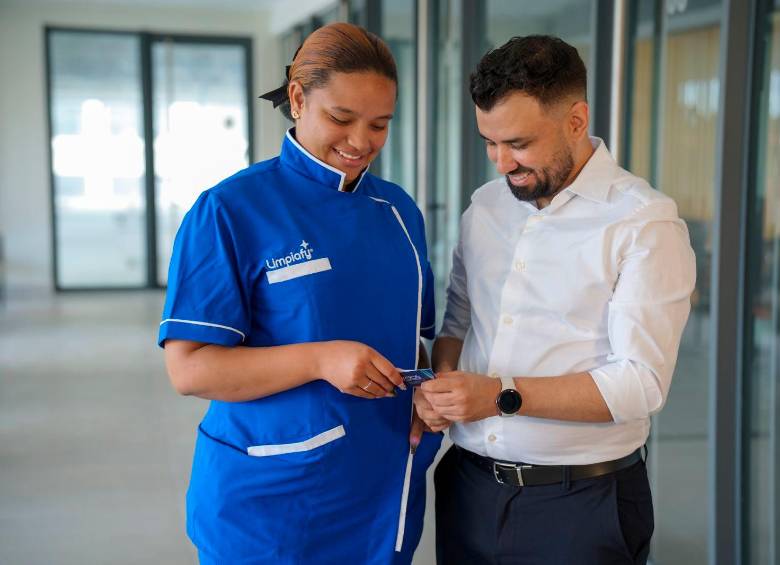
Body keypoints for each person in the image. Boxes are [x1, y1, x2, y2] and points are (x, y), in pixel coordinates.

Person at [158, 22, 440, 565]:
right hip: (271, 501)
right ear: (296, 98)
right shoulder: (230, 211)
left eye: (380, 124)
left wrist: (425, 396)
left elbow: (412, 340)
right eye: (341, 118)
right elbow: (189, 369)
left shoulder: (399, 213)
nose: (361, 142)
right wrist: (320, 358)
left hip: (380, 488)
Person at [414, 35, 696, 564]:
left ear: (575, 119)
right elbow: (460, 315)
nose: (501, 163)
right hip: (468, 486)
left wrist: (500, 394)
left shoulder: (644, 223)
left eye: (518, 143)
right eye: (489, 143)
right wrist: (445, 385)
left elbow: (641, 383)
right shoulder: (486, 207)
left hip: (582, 505)